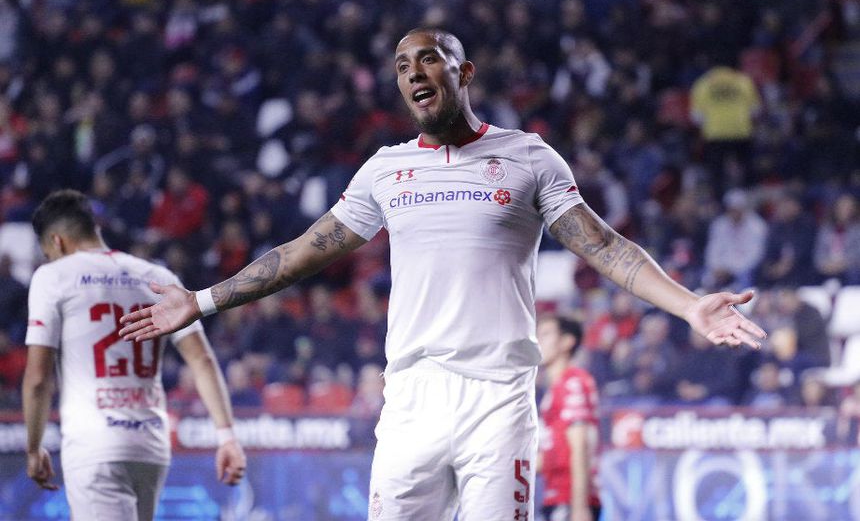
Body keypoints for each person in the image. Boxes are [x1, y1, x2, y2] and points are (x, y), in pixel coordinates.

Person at [119, 29, 766, 520]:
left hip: (499, 398)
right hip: (412, 399)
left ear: (463, 71)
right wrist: (201, 301)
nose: (413, 73)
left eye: (428, 59)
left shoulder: (527, 157)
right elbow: (301, 253)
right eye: (403, 66)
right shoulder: (385, 170)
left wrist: (688, 306)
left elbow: (602, 244)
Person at [22, 190, 246, 521]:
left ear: (56, 241)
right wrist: (226, 436)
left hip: (94, 443)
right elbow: (202, 360)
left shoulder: (53, 276)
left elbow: (38, 378)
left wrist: (33, 447)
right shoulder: (158, 277)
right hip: (150, 445)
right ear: (95, 228)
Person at [536, 314, 601, 521]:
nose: (537, 341)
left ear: (567, 342)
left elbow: (580, 445)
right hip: (555, 497)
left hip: (570, 501)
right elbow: (551, 454)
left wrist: (579, 507)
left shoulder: (573, 382)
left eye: (545, 334)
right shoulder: (554, 389)